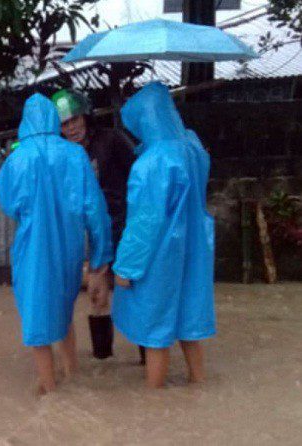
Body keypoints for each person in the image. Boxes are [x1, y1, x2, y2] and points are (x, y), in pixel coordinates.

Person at [0, 94, 112, 394]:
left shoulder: (16, 160)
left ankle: (50, 391)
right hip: (70, 249)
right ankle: (72, 373)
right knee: (62, 308)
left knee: (37, 319)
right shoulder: (75, 156)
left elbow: (9, 205)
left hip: (33, 249)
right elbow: (96, 212)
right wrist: (100, 258)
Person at [112, 82, 216, 388]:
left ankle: (154, 400)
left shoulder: (150, 163)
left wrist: (126, 268)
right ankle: (198, 386)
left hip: (161, 253)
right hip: (195, 248)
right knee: (189, 321)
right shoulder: (194, 149)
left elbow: (145, 222)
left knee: (156, 329)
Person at [52, 89, 137, 361]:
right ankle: (104, 360)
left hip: (125, 226)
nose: (72, 128)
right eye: (65, 124)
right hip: (91, 234)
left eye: (75, 120)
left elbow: (138, 174)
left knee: (136, 292)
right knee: (97, 295)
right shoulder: (62, 154)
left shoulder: (111, 140)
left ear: (86, 117)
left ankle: (148, 359)